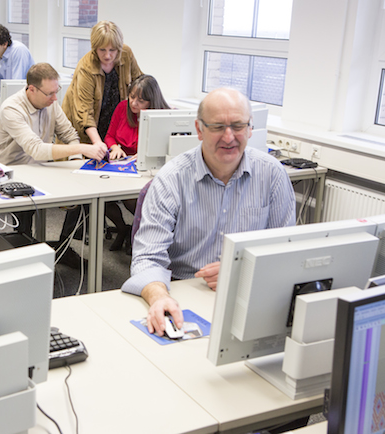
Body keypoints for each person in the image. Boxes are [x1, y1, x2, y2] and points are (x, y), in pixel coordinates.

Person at [121, 88, 296, 335]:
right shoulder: (171, 179)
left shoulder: (272, 175)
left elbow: (285, 250)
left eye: (238, 126)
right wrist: (159, 297)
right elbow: (147, 258)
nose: (229, 137)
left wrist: (239, 271)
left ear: (250, 129)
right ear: (199, 129)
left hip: (248, 293)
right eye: (217, 127)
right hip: (182, 292)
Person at [0, 62, 106, 243]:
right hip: (14, 171)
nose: (55, 98)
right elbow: (36, 150)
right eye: (50, 93)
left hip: (42, 167)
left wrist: (76, 161)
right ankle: (25, 250)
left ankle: (64, 246)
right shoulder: (11, 109)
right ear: (32, 89)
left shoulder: (50, 103)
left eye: (57, 91)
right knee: (26, 212)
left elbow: (69, 134)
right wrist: (83, 149)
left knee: (86, 195)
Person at [59, 20, 143, 255]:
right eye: (102, 50)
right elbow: (84, 113)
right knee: (84, 186)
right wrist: (97, 143)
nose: (108, 56)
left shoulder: (126, 55)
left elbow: (141, 84)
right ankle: (66, 246)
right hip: (86, 130)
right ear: (94, 48)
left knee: (113, 184)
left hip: (113, 125)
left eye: (112, 50)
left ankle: (120, 230)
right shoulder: (86, 67)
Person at [104, 74, 171, 252]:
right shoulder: (121, 108)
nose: (133, 103)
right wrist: (114, 147)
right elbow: (109, 136)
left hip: (146, 172)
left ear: (151, 101)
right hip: (120, 165)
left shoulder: (163, 117)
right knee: (100, 198)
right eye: (132, 97)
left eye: (140, 100)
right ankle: (122, 228)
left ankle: (140, 235)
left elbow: (166, 149)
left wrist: (142, 154)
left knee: (131, 200)